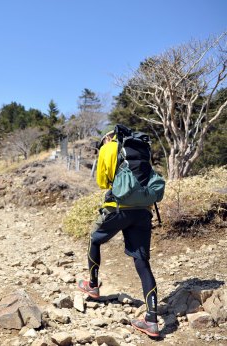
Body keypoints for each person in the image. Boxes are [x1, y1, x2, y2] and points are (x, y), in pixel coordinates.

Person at [77, 129, 160, 338]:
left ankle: (93, 286)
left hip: (118, 208)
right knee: (142, 261)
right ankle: (151, 320)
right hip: (143, 211)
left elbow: (103, 183)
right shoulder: (141, 148)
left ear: (108, 137)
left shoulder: (108, 148)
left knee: (94, 239)